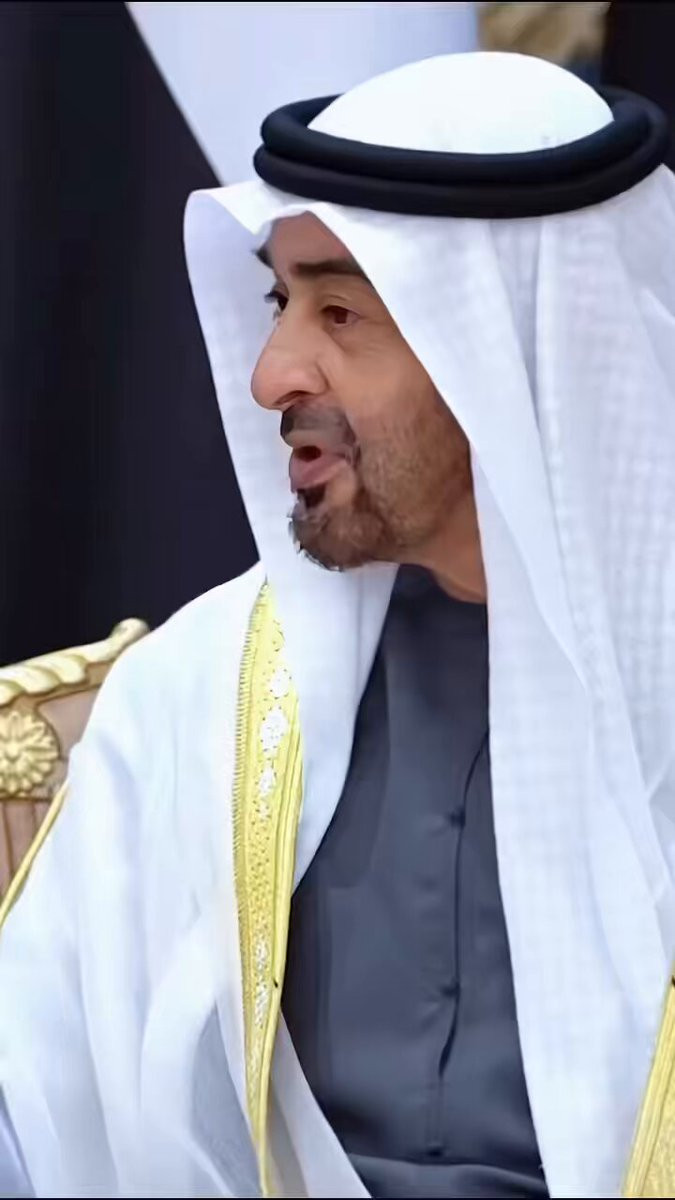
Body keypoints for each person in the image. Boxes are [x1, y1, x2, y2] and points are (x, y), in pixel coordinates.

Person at [1, 48, 674, 1199]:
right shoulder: (203, 693)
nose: (271, 376)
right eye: (281, 303)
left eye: (342, 311)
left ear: (509, 346)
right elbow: (36, 1098)